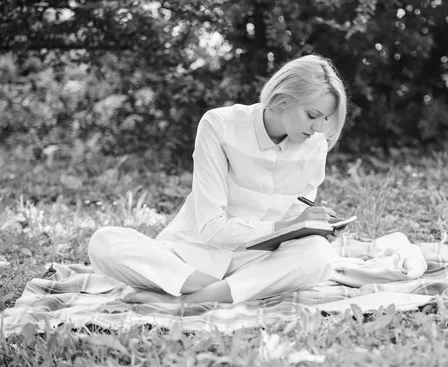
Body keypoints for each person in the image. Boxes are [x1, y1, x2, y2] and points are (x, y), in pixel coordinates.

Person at [88, 54, 348, 304]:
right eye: (312, 116)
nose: (319, 128)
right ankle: (220, 292)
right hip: (192, 258)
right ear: (283, 98)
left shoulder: (315, 147)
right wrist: (284, 227)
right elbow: (211, 228)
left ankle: (184, 299)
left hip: (257, 262)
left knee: (319, 254)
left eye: (325, 119)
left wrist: (313, 229)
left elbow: (294, 221)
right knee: (104, 242)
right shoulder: (219, 125)